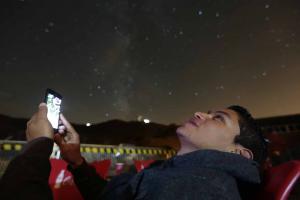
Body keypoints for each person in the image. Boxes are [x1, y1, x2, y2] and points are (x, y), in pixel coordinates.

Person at [0, 103, 267, 200]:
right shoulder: (183, 175)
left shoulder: (199, 187)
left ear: (239, 153)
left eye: (218, 118)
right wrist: (76, 160)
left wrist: (38, 147)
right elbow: (113, 196)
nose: (200, 113)